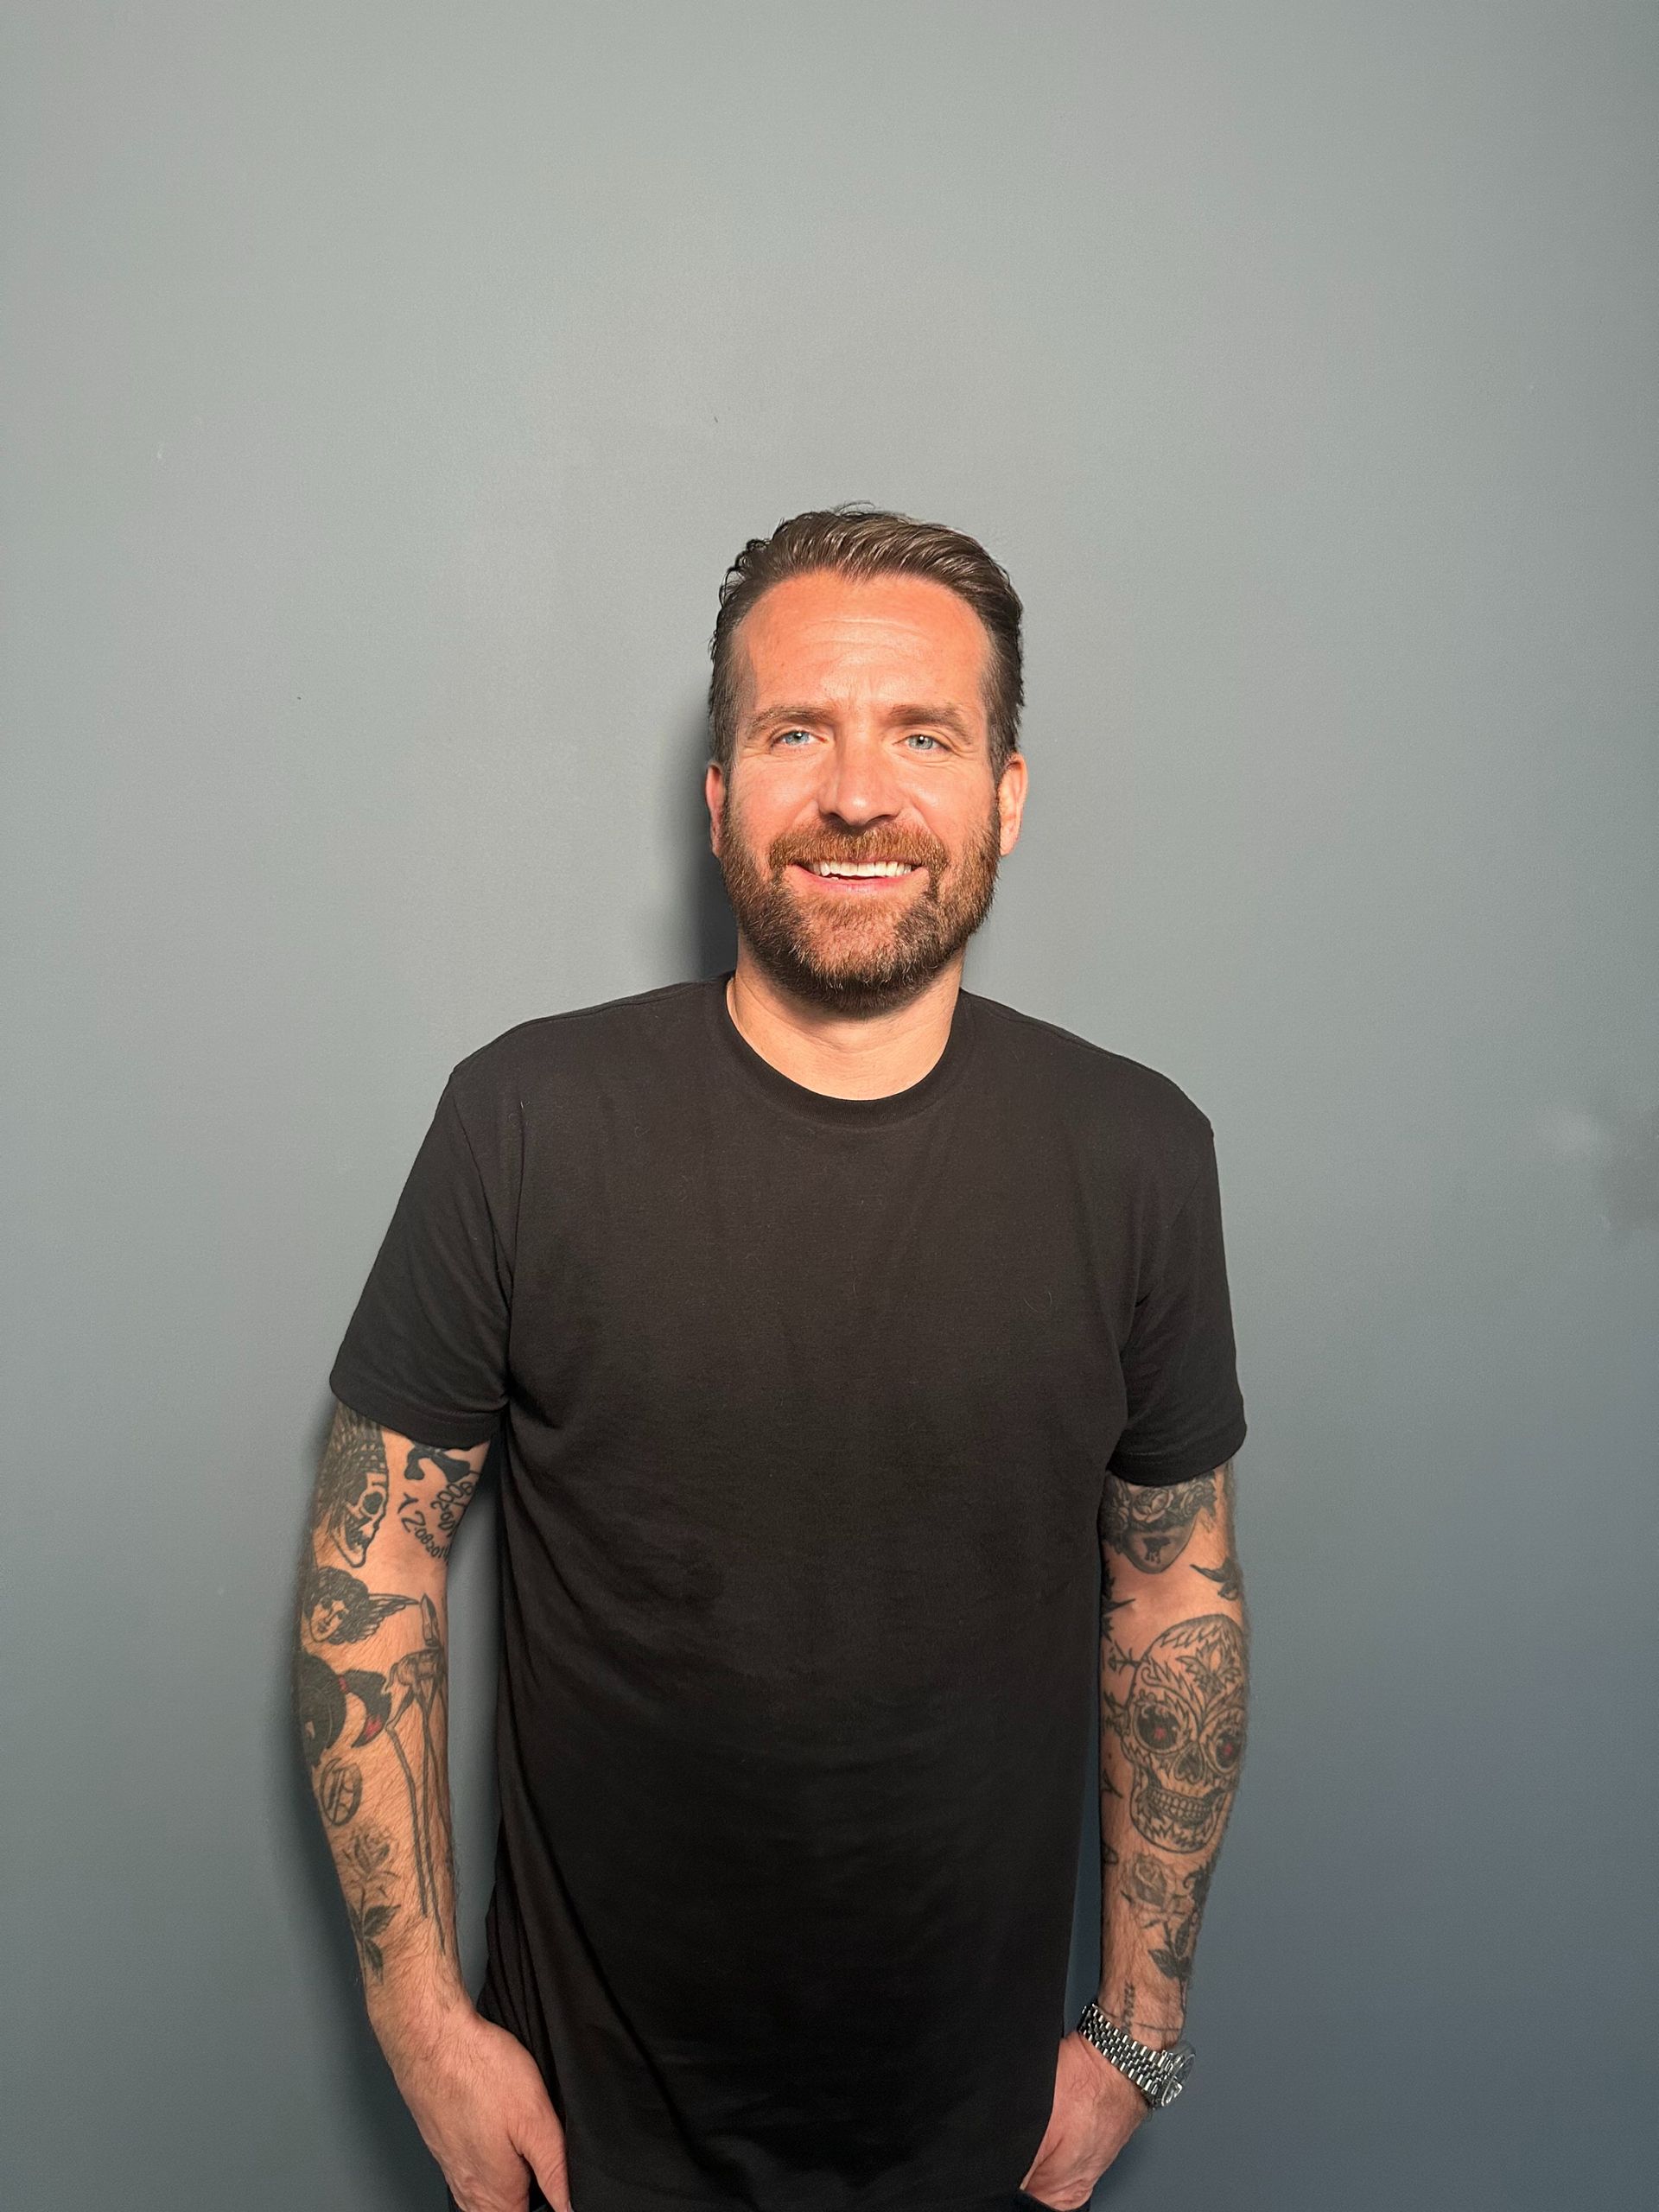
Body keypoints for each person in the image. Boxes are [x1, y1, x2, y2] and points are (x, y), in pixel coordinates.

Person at [296, 506, 1249, 2212]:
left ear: (1007, 799)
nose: (859, 790)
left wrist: (1141, 2026)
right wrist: (422, 2021)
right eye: (797, 729)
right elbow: (372, 1556)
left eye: (924, 735)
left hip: (981, 2148)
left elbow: (1176, 1598)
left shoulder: (1140, 1155)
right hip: (583, 2150)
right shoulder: (526, 1119)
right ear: (720, 793)